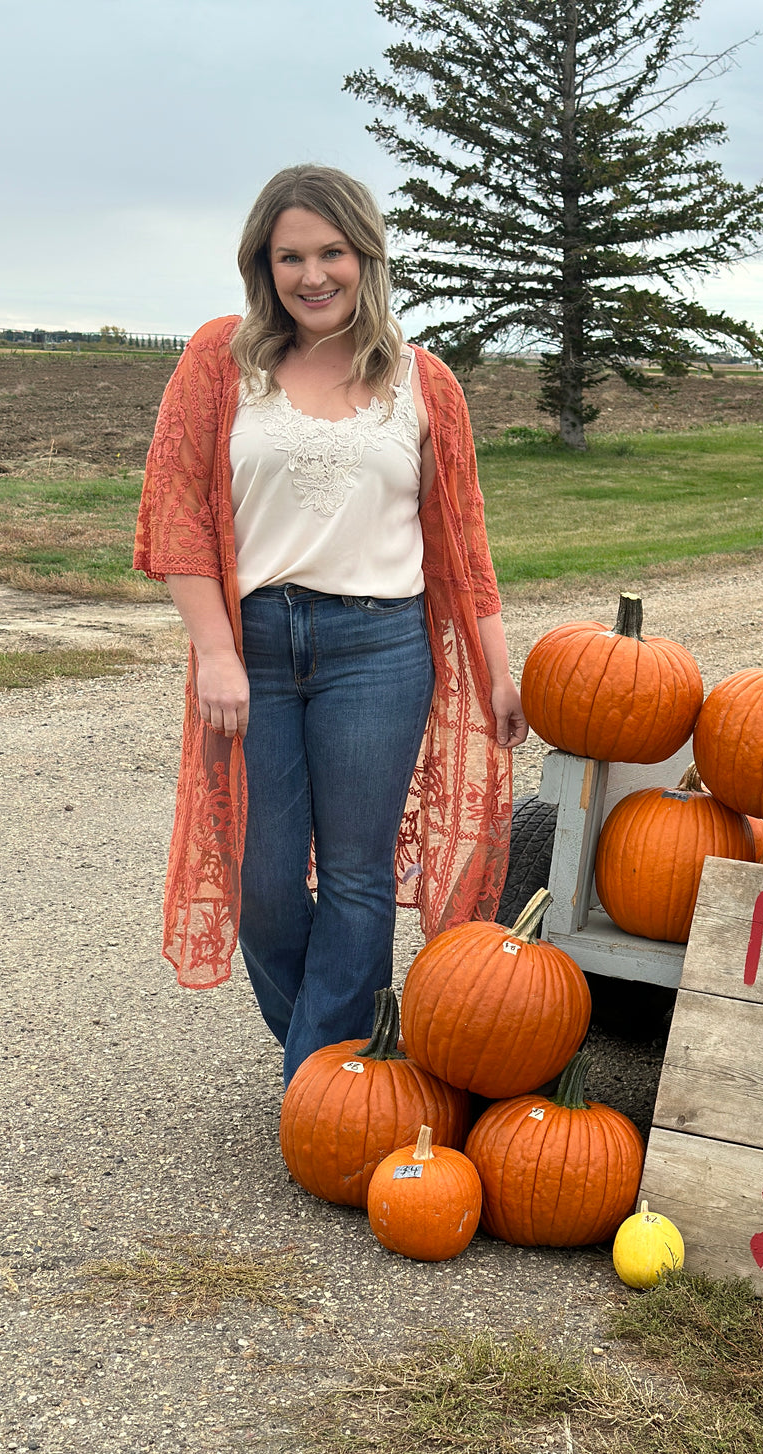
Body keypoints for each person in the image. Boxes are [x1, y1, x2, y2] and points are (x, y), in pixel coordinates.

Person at [134, 164, 526, 1085]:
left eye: (331, 253)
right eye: (289, 258)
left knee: (355, 880)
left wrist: (499, 671)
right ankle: (335, 1067)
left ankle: (320, 1083)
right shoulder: (220, 361)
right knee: (262, 882)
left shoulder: (423, 382)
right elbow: (177, 511)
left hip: (379, 653)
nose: (313, 276)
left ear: (366, 256)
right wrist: (216, 654)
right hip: (257, 650)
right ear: (263, 267)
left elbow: (462, 544)